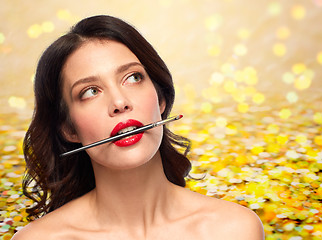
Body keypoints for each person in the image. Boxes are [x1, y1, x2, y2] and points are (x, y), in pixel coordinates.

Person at [12, 15, 264, 239]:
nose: (119, 103)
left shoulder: (235, 229)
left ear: (161, 98)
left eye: (133, 77)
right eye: (90, 91)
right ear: (69, 128)